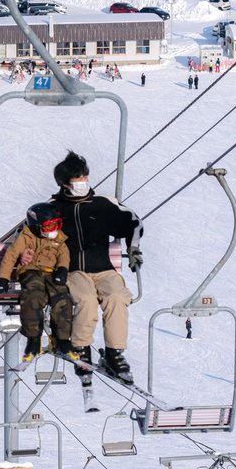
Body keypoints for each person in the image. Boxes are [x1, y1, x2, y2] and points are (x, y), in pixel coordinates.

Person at [47, 151, 142, 383]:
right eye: (77, 179)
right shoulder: (54, 208)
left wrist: (134, 249)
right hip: (73, 270)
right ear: (63, 184)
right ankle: (81, 348)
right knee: (87, 300)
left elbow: (134, 223)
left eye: (84, 177)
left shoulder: (102, 204)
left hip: (104, 268)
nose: (83, 183)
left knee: (117, 297)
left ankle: (114, 353)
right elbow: (33, 234)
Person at [0, 202, 73, 359]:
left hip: (51, 273)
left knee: (62, 297)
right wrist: (3, 278)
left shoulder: (58, 237)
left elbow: (64, 254)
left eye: (56, 225)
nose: (54, 230)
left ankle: (62, 339)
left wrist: (62, 269)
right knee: (33, 296)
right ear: (37, 226)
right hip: (30, 272)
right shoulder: (26, 237)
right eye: (49, 226)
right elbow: (11, 256)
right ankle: (33, 339)